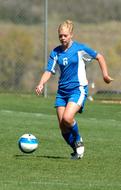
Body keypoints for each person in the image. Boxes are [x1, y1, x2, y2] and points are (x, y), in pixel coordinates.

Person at [35, 20, 113, 159]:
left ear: (71, 35)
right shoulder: (56, 52)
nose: (62, 38)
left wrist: (105, 75)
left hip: (78, 90)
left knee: (67, 118)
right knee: (62, 126)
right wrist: (41, 84)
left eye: (65, 35)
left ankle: (78, 139)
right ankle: (76, 150)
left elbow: (99, 56)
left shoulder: (79, 49)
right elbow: (49, 70)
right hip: (62, 92)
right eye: (60, 36)